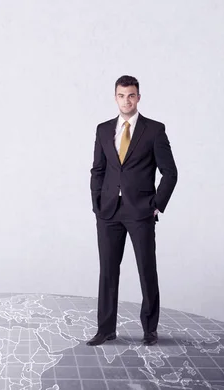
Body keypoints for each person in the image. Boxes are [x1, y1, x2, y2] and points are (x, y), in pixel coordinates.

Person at [87, 75, 178, 346]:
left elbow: (170, 173)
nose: (126, 100)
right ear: (115, 97)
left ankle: (150, 329)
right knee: (107, 271)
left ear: (138, 97)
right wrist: (97, 204)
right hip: (109, 212)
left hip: (140, 211)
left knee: (146, 269)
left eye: (131, 95)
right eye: (121, 95)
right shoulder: (103, 130)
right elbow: (98, 170)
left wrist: (155, 204)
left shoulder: (154, 130)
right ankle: (106, 329)